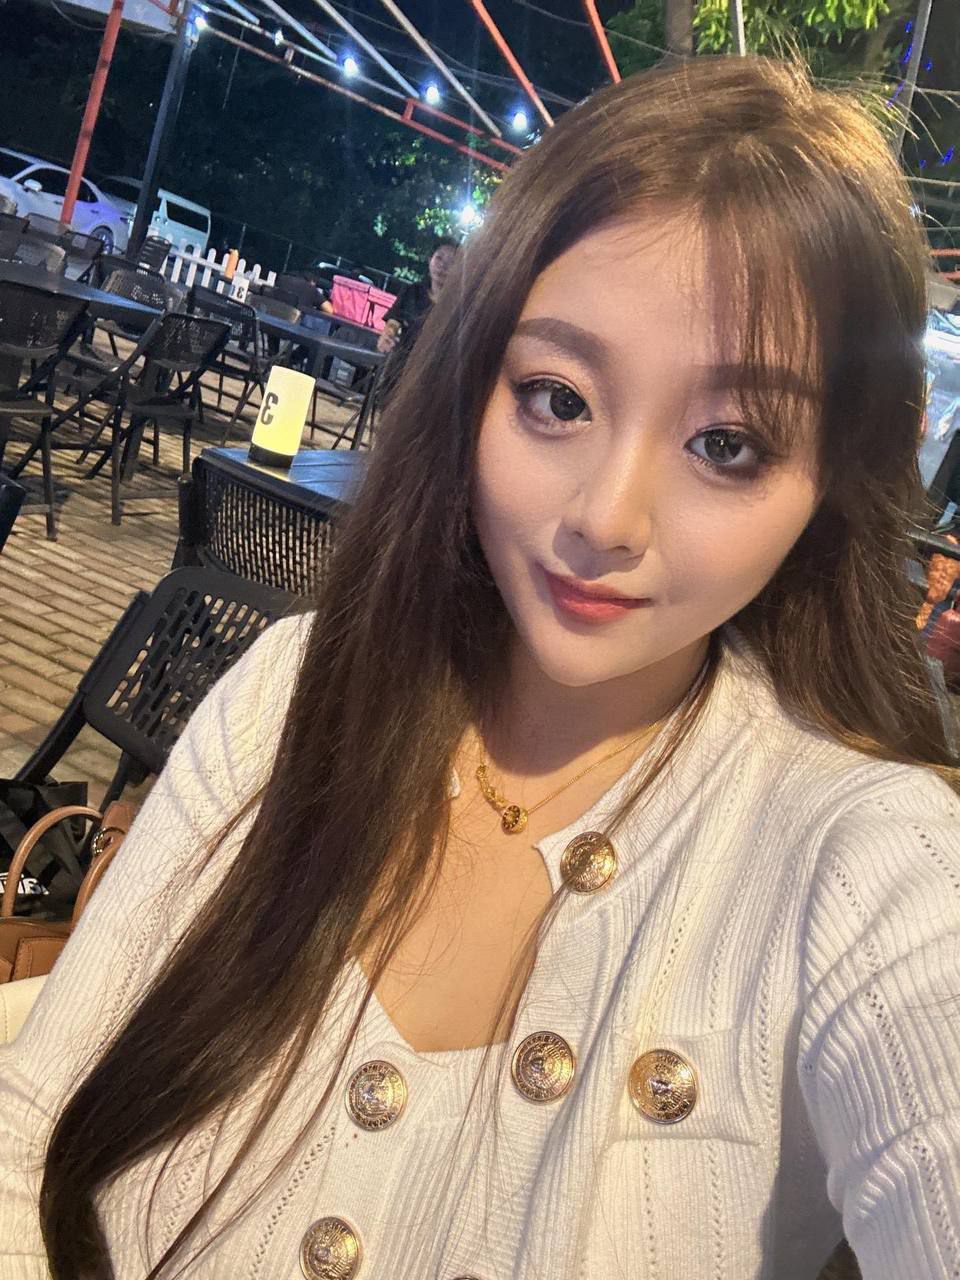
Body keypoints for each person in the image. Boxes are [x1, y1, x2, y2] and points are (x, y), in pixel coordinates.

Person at [2, 56, 959, 1280]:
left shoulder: (863, 859)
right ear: (474, 384)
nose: (605, 517)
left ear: (832, 481)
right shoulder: (297, 689)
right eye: (557, 397)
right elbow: (31, 1126)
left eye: (726, 443)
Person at [376, 237, 458, 356]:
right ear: (430, 259)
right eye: (439, 258)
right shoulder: (412, 291)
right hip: (401, 359)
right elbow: (395, 319)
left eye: (451, 262)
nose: (443, 266)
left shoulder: (458, 306)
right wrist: (389, 333)